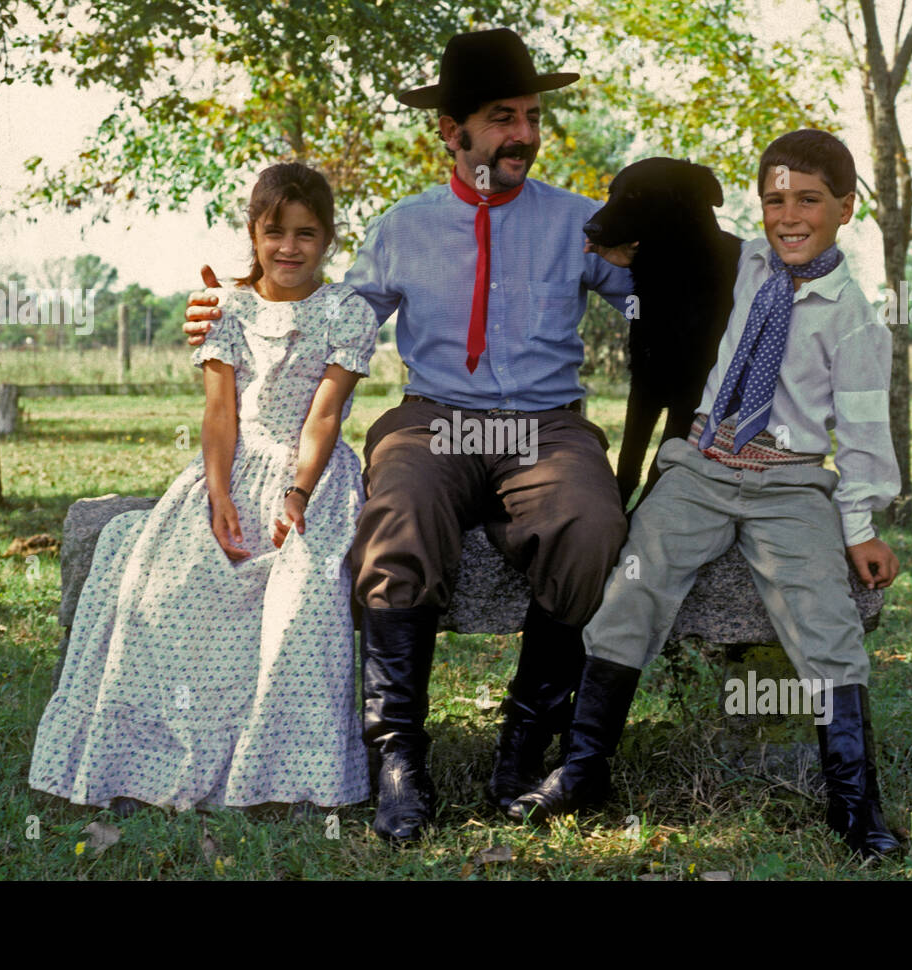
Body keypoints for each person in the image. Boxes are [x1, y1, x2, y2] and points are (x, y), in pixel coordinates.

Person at [186, 28, 639, 843]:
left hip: (548, 427)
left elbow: (657, 299)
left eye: (532, 116)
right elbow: (328, 311)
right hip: (434, 417)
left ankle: (524, 742)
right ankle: (398, 756)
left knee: (592, 523)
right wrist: (236, 306)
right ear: (451, 131)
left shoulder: (581, 222)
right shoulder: (403, 227)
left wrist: (717, 279)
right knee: (395, 515)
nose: (525, 134)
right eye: (504, 117)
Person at [507, 129, 905, 862]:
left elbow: (862, 431)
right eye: (775, 199)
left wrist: (859, 524)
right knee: (632, 587)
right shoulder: (748, 259)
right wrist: (624, 242)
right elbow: (674, 250)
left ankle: (855, 802)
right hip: (702, 465)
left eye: (810, 200)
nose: (790, 216)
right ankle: (584, 767)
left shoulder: (855, 320)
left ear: (846, 207)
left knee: (825, 616)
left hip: (789, 481)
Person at [29, 162, 378, 815]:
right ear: (254, 232)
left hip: (313, 470)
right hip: (235, 463)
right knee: (166, 578)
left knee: (302, 597)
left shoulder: (345, 313)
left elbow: (324, 415)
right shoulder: (231, 310)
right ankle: (152, 753)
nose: (289, 248)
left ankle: (286, 773)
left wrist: (298, 494)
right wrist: (217, 494)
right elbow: (221, 413)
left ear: (328, 238)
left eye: (306, 234)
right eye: (274, 232)